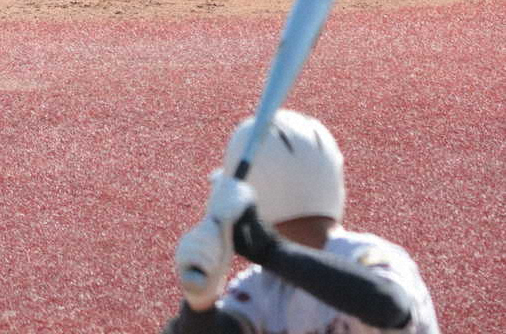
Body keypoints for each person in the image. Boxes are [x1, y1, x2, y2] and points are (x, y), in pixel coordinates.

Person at [163, 109, 440, 333]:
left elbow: (389, 306)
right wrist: (199, 307)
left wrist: (270, 251)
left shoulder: (365, 255)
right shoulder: (260, 288)